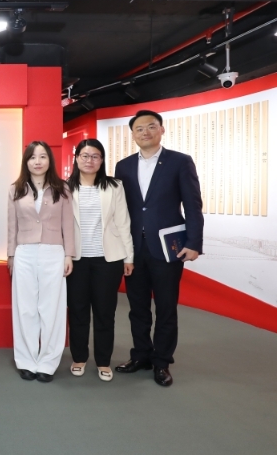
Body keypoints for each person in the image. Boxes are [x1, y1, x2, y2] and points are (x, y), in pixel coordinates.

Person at [113, 110, 203, 387]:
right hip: (134, 249)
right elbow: (121, 209)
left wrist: (194, 243)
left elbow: (193, 205)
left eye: (151, 126)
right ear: (133, 135)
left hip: (168, 248)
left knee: (166, 307)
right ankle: (141, 355)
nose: (145, 132)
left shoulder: (179, 161)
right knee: (137, 308)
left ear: (161, 130)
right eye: (139, 129)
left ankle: (162, 361)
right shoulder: (123, 166)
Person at [65, 139, 134, 382]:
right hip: (76, 260)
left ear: (102, 160)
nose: (89, 160)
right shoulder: (65, 188)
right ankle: (79, 358)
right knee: (78, 311)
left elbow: (123, 222)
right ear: (76, 159)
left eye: (95, 156)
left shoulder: (114, 186)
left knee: (105, 312)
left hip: (108, 259)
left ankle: (104, 361)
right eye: (85, 155)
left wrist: (129, 256)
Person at [7, 141, 74, 382]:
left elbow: (68, 224)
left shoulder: (62, 189)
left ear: (49, 161)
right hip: (24, 253)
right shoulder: (15, 189)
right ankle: (26, 360)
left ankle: (47, 362)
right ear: (26, 161)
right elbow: (12, 225)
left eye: (43, 156)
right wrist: (11, 255)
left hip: (53, 252)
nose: (37, 161)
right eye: (33, 157)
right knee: (25, 309)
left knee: (51, 309)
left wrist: (69, 255)